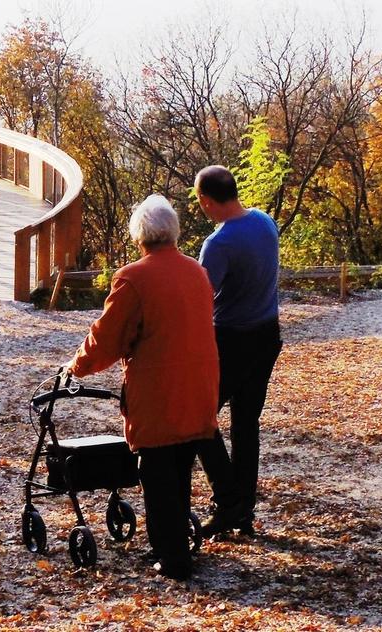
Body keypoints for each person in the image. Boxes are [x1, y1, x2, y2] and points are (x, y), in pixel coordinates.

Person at [66, 195, 219, 581]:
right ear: (173, 231)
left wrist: (77, 366)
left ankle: (172, 558)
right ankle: (176, 544)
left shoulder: (134, 278)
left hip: (158, 390)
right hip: (198, 387)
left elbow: (107, 336)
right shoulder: (196, 272)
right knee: (180, 469)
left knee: (156, 472)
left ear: (139, 235)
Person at [193, 165, 283, 538]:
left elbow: (197, 296)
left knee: (198, 419)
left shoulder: (219, 244)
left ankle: (229, 499)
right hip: (267, 335)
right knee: (246, 425)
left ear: (206, 201)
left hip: (230, 340)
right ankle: (242, 507)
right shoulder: (264, 222)